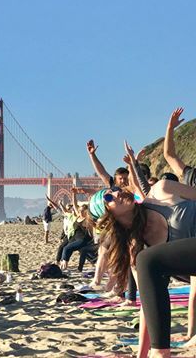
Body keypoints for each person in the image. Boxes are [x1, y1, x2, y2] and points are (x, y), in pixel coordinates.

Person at [91, 143, 196, 358]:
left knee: (146, 260)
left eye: (116, 190)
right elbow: (149, 307)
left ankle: (160, 354)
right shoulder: (139, 252)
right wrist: (141, 354)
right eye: (109, 197)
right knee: (144, 260)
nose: (117, 192)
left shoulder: (162, 191)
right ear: (109, 218)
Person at [163, 107, 196, 187]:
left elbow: (169, 155)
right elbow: (169, 155)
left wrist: (170, 128)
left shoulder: (193, 177)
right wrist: (170, 128)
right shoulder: (193, 177)